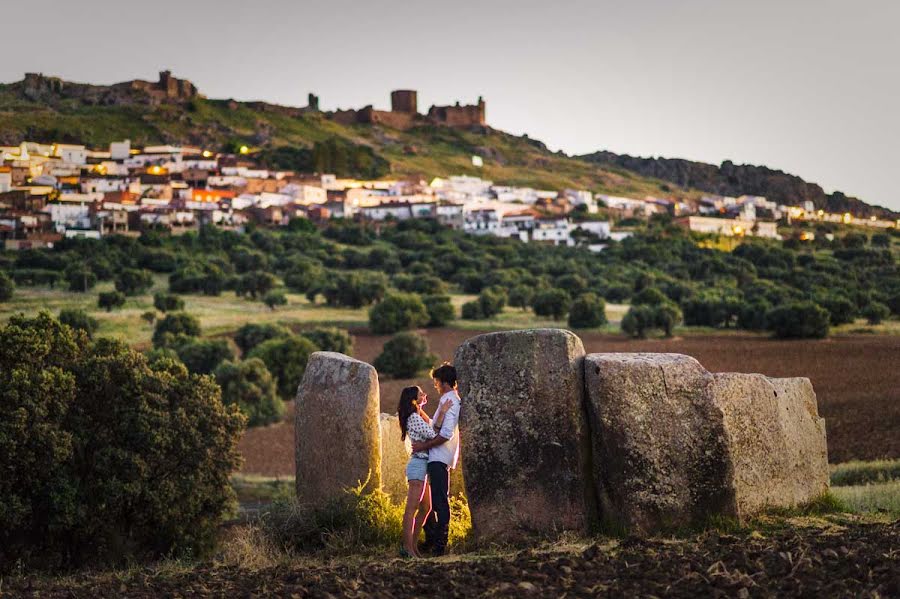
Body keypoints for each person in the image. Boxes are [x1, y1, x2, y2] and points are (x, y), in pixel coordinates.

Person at [411, 363, 462, 557]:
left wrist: (423, 446)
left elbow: (445, 433)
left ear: (443, 382)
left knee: (440, 502)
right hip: (436, 457)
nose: (435, 386)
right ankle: (432, 541)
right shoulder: (446, 400)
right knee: (430, 504)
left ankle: (440, 546)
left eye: (436, 382)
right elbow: (435, 426)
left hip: (439, 457)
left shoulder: (451, 402)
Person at [397, 385, 451, 558]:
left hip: (424, 465)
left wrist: (425, 410)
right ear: (414, 398)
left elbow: (431, 424)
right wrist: (442, 412)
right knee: (411, 508)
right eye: (421, 394)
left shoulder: (417, 414)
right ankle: (407, 548)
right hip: (418, 464)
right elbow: (433, 433)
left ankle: (413, 546)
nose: (425, 394)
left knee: (426, 508)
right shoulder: (413, 417)